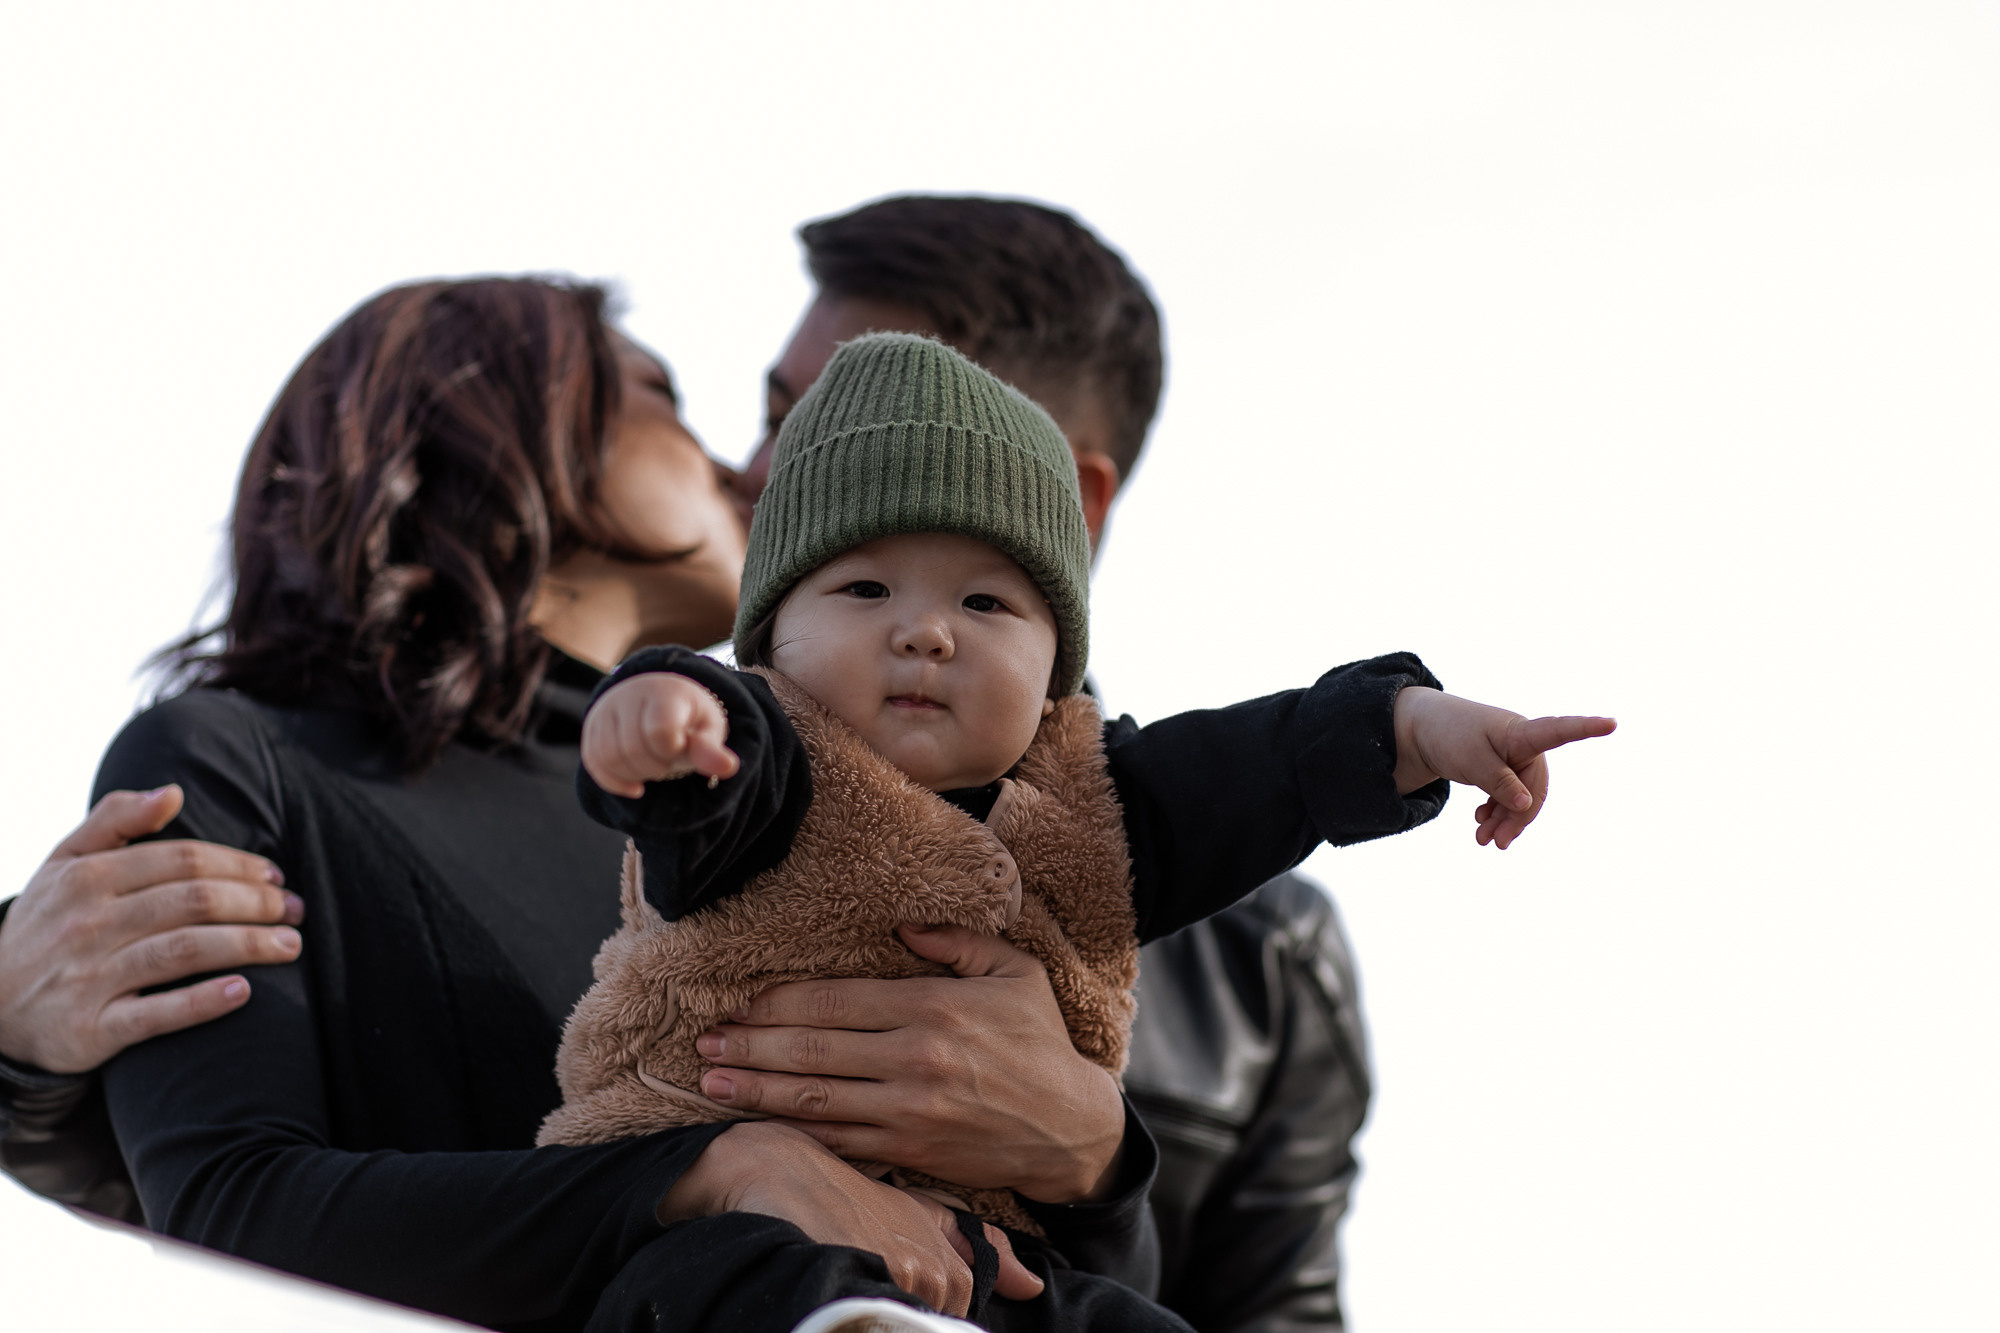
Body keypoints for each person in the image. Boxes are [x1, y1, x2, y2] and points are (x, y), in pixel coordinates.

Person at [2, 194, 1398, 1330]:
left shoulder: (1163, 885)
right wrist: (23, 1068)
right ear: (488, 429)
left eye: (846, 426)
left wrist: (1094, 1160)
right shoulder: (298, 763)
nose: (761, 464)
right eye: (724, 403)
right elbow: (230, 1201)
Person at [537, 331, 1608, 1301]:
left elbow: (1259, 764)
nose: (925, 633)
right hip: (750, 1223)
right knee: (725, 1281)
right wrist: (659, 717)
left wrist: (1413, 723)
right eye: (863, 590)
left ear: (1057, 670)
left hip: (998, 1265)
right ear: (769, 639)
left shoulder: (1096, 799)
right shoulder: (766, 750)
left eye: (985, 603)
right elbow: (705, 782)